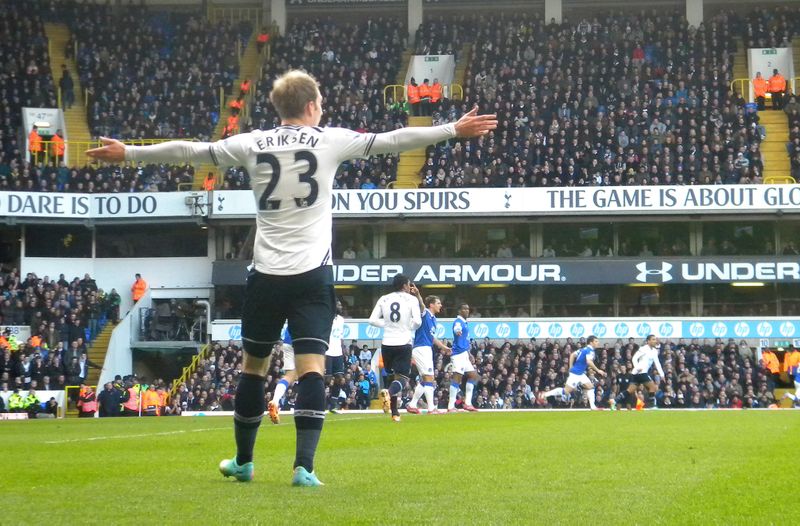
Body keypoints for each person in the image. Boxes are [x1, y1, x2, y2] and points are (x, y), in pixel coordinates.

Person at [86, 69, 496, 486]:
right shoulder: (329, 140)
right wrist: (453, 129)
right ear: (312, 106)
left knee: (253, 369)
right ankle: (304, 467)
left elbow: (193, 151)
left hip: (265, 276)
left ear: (278, 108)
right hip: (312, 278)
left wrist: (131, 154)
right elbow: (393, 140)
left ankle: (244, 461)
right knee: (312, 368)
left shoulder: (251, 143)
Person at [369, 274, 422, 422]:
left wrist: (387, 324)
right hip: (403, 342)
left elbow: (372, 320)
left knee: (392, 377)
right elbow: (417, 322)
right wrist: (406, 326)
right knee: (402, 379)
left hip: (387, 344)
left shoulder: (384, 298)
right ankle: (388, 393)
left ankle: (394, 412)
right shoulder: (412, 299)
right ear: (405, 285)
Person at [406, 291, 451, 414]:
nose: (440, 305)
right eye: (438, 303)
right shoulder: (425, 313)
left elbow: (432, 338)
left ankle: (412, 405)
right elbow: (421, 304)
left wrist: (443, 347)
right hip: (421, 348)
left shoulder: (434, 319)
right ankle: (431, 408)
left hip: (426, 348)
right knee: (429, 377)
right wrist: (418, 294)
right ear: (431, 305)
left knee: (424, 379)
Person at [539, 336, 606, 410]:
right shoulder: (590, 351)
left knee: (590, 387)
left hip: (580, 373)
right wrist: (598, 370)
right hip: (576, 374)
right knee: (566, 391)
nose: (598, 343)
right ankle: (545, 394)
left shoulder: (583, 349)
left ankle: (593, 407)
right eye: (596, 341)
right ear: (591, 342)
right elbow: (589, 361)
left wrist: (571, 366)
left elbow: (572, 355)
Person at [448, 304, 479, 412]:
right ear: (459, 310)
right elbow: (457, 329)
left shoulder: (465, 323)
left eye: (468, 309)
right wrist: (457, 331)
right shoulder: (458, 321)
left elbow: (464, 341)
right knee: (457, 377)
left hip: (464, 353)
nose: (467, 311)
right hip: (457, 354)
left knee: (473, 376)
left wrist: (469, 354)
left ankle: (468, 403)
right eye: (464, 309)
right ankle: (451, 406)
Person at [267, 322, 297, 425]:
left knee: (288, 376)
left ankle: (275, 401)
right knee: (310, 373)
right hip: (301, 340)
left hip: (287, 342)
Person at [626, 334, 664, 409]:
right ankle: (652, 405)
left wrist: (662, 374)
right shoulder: (643, 349)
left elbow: (657, 363)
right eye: (653, 339)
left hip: (641, 373)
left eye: (655, 339)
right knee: (652, 387)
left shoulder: (654, 351)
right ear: (648, 341)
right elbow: (634, 358)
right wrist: (637, 367)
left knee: (630, 391)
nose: (655, 341)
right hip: (640, 372)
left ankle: (615, 401)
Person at [325, 299, 345, 413]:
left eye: (341, 305)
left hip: (338, 352)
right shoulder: (327, 318)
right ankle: (322, 402)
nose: (340, 307)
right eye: (338, 305)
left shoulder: (342, 320)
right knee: (327, 380)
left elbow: (340, 336)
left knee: (339, 379)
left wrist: (343, 348)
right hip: (328, 352)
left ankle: (333, 404)